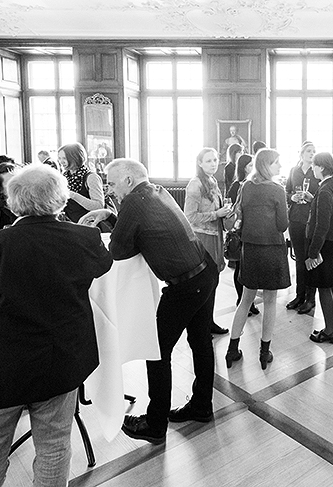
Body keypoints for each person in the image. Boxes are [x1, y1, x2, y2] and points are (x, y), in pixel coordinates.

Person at [0, 165, 112, 486]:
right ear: (62, 201)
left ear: (11, 202)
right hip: (60, 361)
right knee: (55, 446)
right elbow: (103, 268)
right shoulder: (85, 239)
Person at [81, 159, 219, 444]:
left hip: (185, 286)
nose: (109, 188)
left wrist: (86, 238)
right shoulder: (156, 191)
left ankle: (155, 424)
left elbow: (118, 250)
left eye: (112, 183)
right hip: (205, 272)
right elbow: (141, 227)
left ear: (129, 180)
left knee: (157, 351)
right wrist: (109, 213)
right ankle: (202, 406)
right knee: (201, 342)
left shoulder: (133, 202)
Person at [225, 148, 290, 370]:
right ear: (265, 165)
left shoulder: (246, 186)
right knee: (270, 301)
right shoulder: (277, 190)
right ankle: (264, 352)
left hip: (250, 249)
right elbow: (283, 225)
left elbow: (239, 216)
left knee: (245, 300)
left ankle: (232, 349)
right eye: (276, 162)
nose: (280, 166)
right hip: (272, 249)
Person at [184, 148, 233, 335]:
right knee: (205, 283)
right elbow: (190, 216)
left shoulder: (212, 181)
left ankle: (208, 321)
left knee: (213, 282)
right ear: (200, 163)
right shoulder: (195, 184)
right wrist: (216, 214)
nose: (213, 164)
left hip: (215, 235)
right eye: (208, 161)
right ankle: (201, 327)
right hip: (203, 238)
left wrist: (225, 213)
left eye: (215, 160)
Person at [306, 151, 333, 343]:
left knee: (324, 287)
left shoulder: (325, 190)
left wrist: (313, 252)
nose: (312, 168)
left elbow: (322, 225)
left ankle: (330, 331)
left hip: (325, 244)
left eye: (314, 165)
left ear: (321, 167)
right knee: (330, 285)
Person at [285, 142, 321, 314]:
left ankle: (310, 298)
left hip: (311, 220)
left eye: (314, 151)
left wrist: (311, 198)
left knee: (309, 259)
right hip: (296, 219)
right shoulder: (294, 171)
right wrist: (292, 197)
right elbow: (287, 192)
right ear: (301, 153)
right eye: (308, 151)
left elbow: (322, 198)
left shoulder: (317, 172)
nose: (311, 154)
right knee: (299, 259)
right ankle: (299, 295)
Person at [228, 153, 258, 316]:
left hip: (253, 231)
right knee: (240, 267)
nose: (253, 168)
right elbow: (232, 208)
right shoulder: (236, 185)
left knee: (250, 269)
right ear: (243, 168)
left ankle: (249, 302)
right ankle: (241, 300)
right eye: (250, 165)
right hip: (240, 231)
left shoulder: (256, 184)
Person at [57, 142, 104, 223]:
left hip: (88, 224)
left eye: (64, 158)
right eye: (59, 158)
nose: (61, 161)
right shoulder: (65, 176)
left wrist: (73, 195)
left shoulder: (91, 177)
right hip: (70, 223)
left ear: (76, 158)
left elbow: (98, 206)